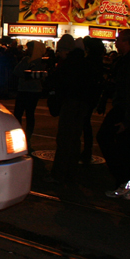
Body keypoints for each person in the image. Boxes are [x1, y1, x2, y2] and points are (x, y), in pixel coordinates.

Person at [97, 29, 130, 199]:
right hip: (125, 108)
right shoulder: (129, 60)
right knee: (122, 147)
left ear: (126, 42)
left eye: (118, 40)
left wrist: (128, 120)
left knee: (109, 140)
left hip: (125, 109)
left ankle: (124, 180)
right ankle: (126, 183)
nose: (116, 43)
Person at [49, 36, 101, 183]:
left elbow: (59, 85)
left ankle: (58, 174)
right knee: (75, 139)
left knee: (64, 139)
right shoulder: (86, 63)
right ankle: (71, 172)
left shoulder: (68, 64)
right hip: (82, 104)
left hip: (70, 103)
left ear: (66, 50)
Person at [12, 40, 47, 145]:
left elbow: (17, 71)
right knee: (25, 114)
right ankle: (25, 135)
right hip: (28, 90)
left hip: (29, 90)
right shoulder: (33, 61)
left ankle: (25, 135)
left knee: (25, 113)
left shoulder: (36, 61)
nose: (28, 50)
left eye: (30, 48)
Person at [81, 37, 107, 164]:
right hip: (93, 96)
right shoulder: (99, 62)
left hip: (86, 96)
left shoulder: (88, 62)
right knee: (86, 124)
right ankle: (87, 151)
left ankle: (86, 151)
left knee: (83, 124)